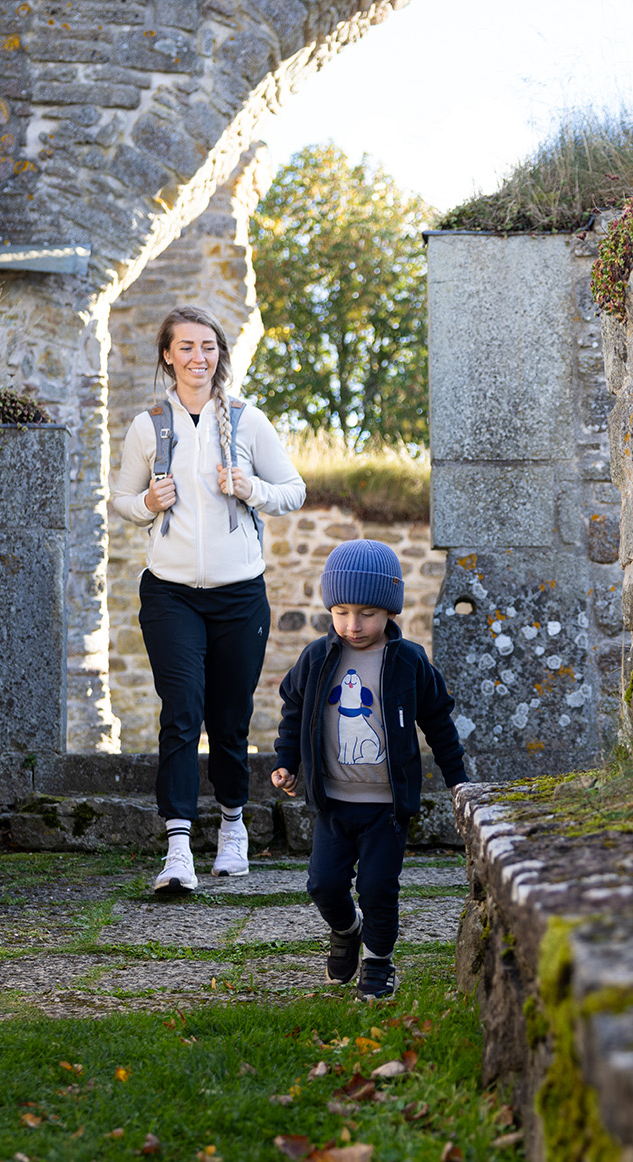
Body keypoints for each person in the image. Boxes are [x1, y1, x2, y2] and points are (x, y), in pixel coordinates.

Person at [109, 307, 306, 892]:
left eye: (209, 347)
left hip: (240, 596)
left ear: (220, 354)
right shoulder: (148, 425)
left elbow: (293, 490)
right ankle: (176, 848)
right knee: (181, 712)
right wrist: (147, 503)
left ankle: (233, 824)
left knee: (228, 716)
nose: (199, 357)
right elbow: (120, 496)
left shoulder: (247, 421)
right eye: (187, 347)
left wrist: (251, 489)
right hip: (170, 594)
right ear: (168, 355)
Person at [270, 540, 467, 1001]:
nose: (352, 626)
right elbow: (294, 710)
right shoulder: (317, 659)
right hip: (334, 803)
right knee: (323, 884)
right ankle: (346, 930)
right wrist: (286, 762)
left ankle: (378, 961)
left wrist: (457, 779)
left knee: (379, 888)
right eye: (340, 612)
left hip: (386, 808)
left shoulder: (409, 663)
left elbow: (438, 721)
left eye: (367, 613)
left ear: (390, 611)